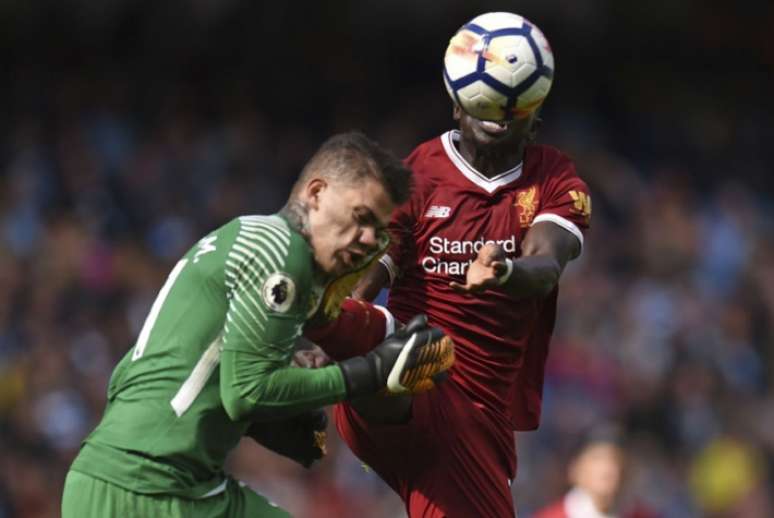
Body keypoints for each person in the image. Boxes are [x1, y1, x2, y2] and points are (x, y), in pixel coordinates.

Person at [60, 132, 455, 518]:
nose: (369, 239)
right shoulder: (282, 252)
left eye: (379, 230)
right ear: (316, 194)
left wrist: (290, 419)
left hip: (139, 479)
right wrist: (369, 372)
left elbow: (170, 382)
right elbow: (246, 392)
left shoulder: (248, 239)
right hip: (150, 488)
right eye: (361, 218)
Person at [305, 14, 592, 518]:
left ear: (535, 113)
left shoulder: (553, 179)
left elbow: (546, 263)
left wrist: (505, 271)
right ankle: (345, 346)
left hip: (474, 419)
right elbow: (375, 271)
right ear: (455, 103)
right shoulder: (420, 172)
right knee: (399, 339)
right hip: (405, 383)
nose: (496, 115)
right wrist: (327, 336)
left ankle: (374, 361)